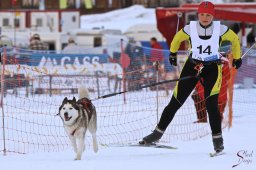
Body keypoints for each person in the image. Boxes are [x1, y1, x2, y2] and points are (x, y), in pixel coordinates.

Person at [140, 1, 242, 153]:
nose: (205, 17)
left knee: (211, 105)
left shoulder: (221, 29)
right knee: (175, 102)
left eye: (208, 15)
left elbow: (235, 40)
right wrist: (173, 54)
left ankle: (218, 141)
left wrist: (238, 58)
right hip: (192, 67)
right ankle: (156, 134)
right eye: (202, 14)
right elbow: (176, 39)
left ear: (212, 15)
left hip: (212, 68)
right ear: (198, 14)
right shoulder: (190, 28)